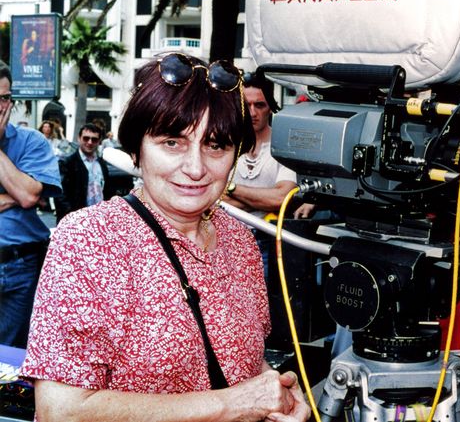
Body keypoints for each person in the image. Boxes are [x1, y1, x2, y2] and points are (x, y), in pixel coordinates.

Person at [20, 53, 309, 422]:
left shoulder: (240, 241)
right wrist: (234, 404)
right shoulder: (89, 240)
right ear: (137, 148)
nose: (195, 168)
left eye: (216, 145)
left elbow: (240, 364)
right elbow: (60, 412)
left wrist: (276, 392)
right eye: (172, 142)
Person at [0, 65, 62, 348]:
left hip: (20, 265)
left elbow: (27, 196)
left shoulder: (31, 142)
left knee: (13, 358)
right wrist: (17, 192)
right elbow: (27, 194)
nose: (1, 106)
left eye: (4, 98)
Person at [223, 74, 297, 272]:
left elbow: (281, 198)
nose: (253, 112)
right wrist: (263, 196)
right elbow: (211, 198)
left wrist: (230, 188)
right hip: (225, 239)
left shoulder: (283, 146)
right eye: (247, 105)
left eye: (260, 105)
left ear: (270, 107)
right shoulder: (226, 143)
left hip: (266, 240)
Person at [56, 123, 115, 222]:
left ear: (99, 141)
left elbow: (107, 190)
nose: (90, 142)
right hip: (75, 221)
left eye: (94, 139)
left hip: (99, 219)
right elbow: (61, 195)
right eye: (86, 138)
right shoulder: (67, 163)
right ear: (79, 138)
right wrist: (72, 218)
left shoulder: (101, 163)